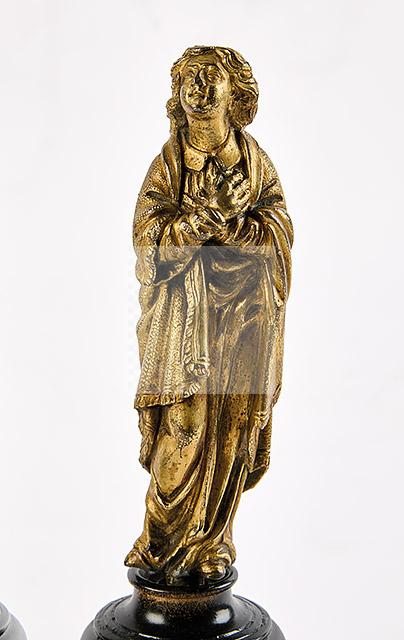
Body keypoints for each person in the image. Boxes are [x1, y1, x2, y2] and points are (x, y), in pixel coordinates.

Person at [125, 46, 293, 584]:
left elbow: (280, 231)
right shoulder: (170, 165)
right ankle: (159, 545)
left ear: (234, 93)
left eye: (209, 77)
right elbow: (147, 244)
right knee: (186, 425)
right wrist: (204, 219)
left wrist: (241, 227)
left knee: (233, 430)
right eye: (188, 78)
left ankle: (213, 544)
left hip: (245, 314)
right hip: (186, 318)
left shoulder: (255, 164)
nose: (197, 87)